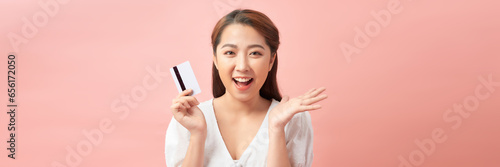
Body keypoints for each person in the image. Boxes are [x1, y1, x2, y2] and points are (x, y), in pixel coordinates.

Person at [165, 9, 327, 167]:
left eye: (255, 53)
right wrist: (197, 134)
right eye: (230, 52)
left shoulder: (294, 119)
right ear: (215, 59)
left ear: (271, 61)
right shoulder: (187, 119)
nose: (242, 66)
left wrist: (276, 129)